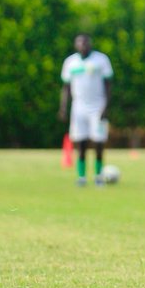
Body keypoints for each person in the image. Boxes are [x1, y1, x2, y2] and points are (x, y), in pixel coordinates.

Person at [59, 33, 113, 186]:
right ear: (76, 45)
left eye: (85, 42)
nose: (83, 45)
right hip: (78, 107)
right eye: (80, 42)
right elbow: (66, 87)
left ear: (90, 43)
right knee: (80, 142)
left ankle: (98, 176)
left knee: (98, 142)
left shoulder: (101, 60)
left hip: (98, 106)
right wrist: (63, 107)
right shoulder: (70, 62)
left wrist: (106, 106)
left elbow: (109, 84)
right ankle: (81, 177)